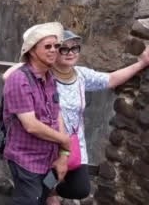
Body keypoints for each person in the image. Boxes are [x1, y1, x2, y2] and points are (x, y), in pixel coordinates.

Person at [45, 30, 149, 204]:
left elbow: (111, 79)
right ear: (54, 51)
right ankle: (46, 193)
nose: (71, 53)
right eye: (64, 49)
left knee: (80, 188)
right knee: (43, 182)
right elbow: (16, 73)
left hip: (73, 144)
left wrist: (141, 63)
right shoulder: (43, 76)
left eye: (75, 48)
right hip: (47, 143)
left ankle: (49, 192)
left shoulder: (81, 75)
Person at [2, 22, 72, 205]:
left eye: (56, 46)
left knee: (41, 199)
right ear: (32, 51)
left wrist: (63, 154)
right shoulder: (19, 80)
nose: (53, 50)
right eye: (47, 46)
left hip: (48, 159)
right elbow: (31, 125)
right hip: (26, 159)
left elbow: (57, 115)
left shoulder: (49, 78)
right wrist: (64, 140)